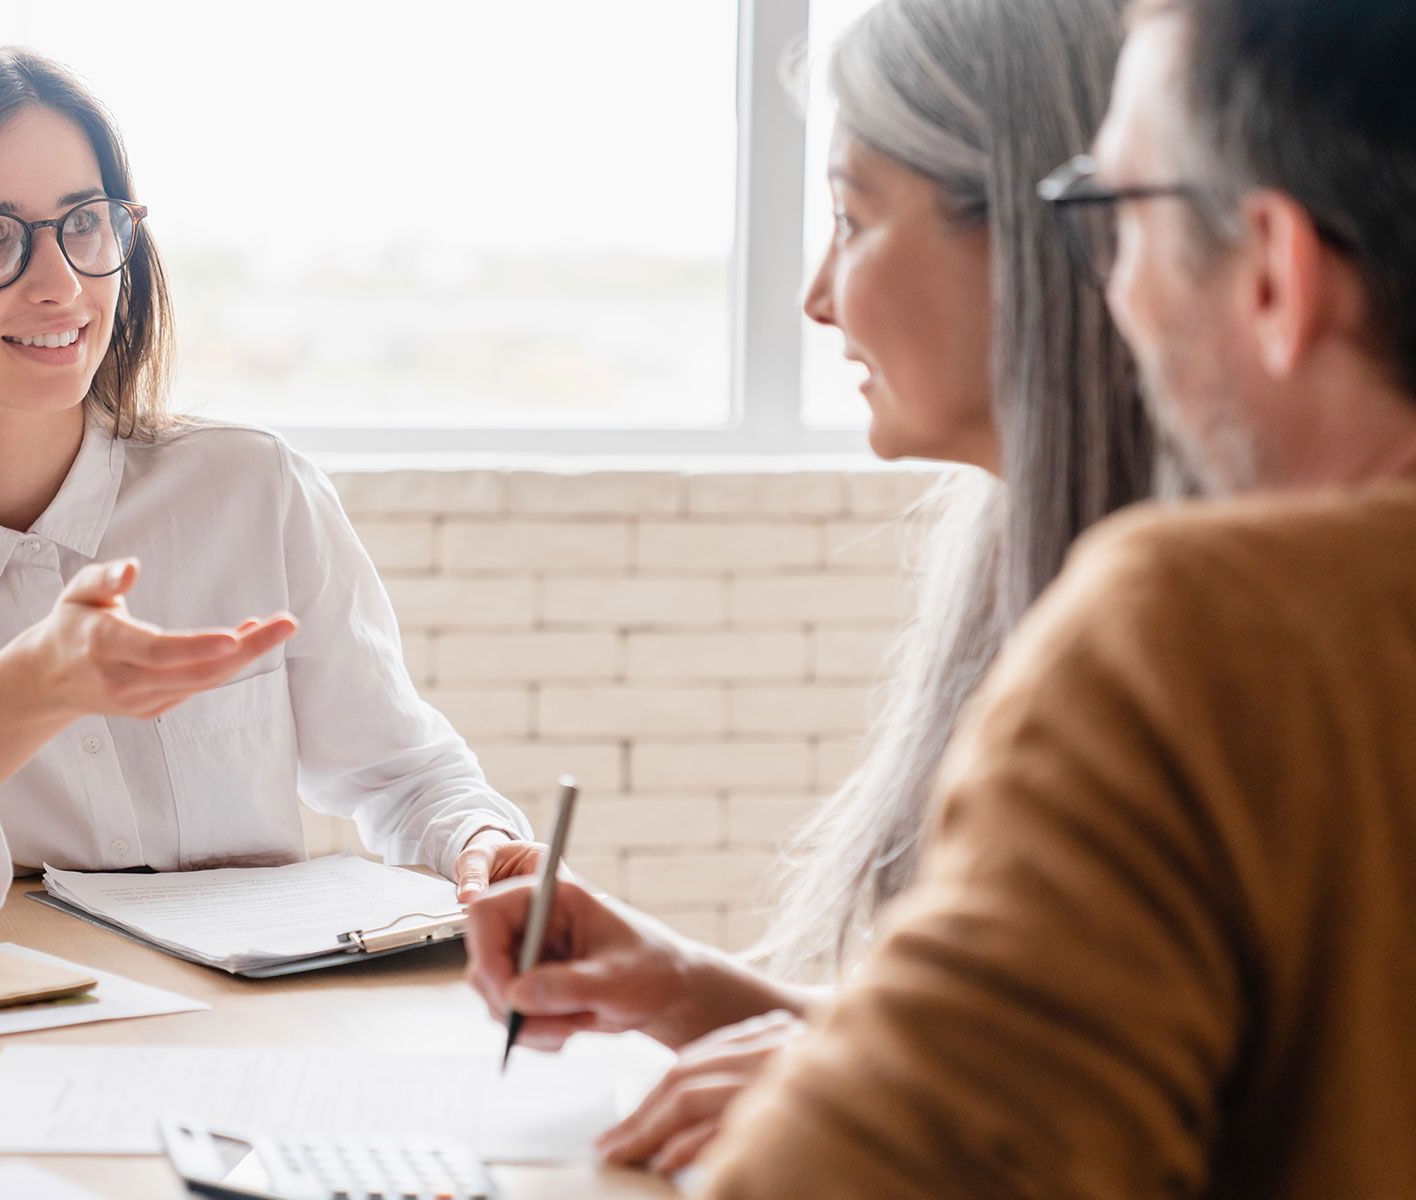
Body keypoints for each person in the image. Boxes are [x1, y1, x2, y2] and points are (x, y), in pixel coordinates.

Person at [472, 0, 1416, 1192]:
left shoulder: (1200, 634)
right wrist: (740, 1008)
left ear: (1277, 272)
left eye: (1112, 216)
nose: (1111, 286)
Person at [0, 41, 540, 959]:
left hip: (232, 1037)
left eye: (83, 223)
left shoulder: (253, 489)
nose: (60, 285)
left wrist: (477, 841)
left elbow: (404, 772)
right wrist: (30, 687)